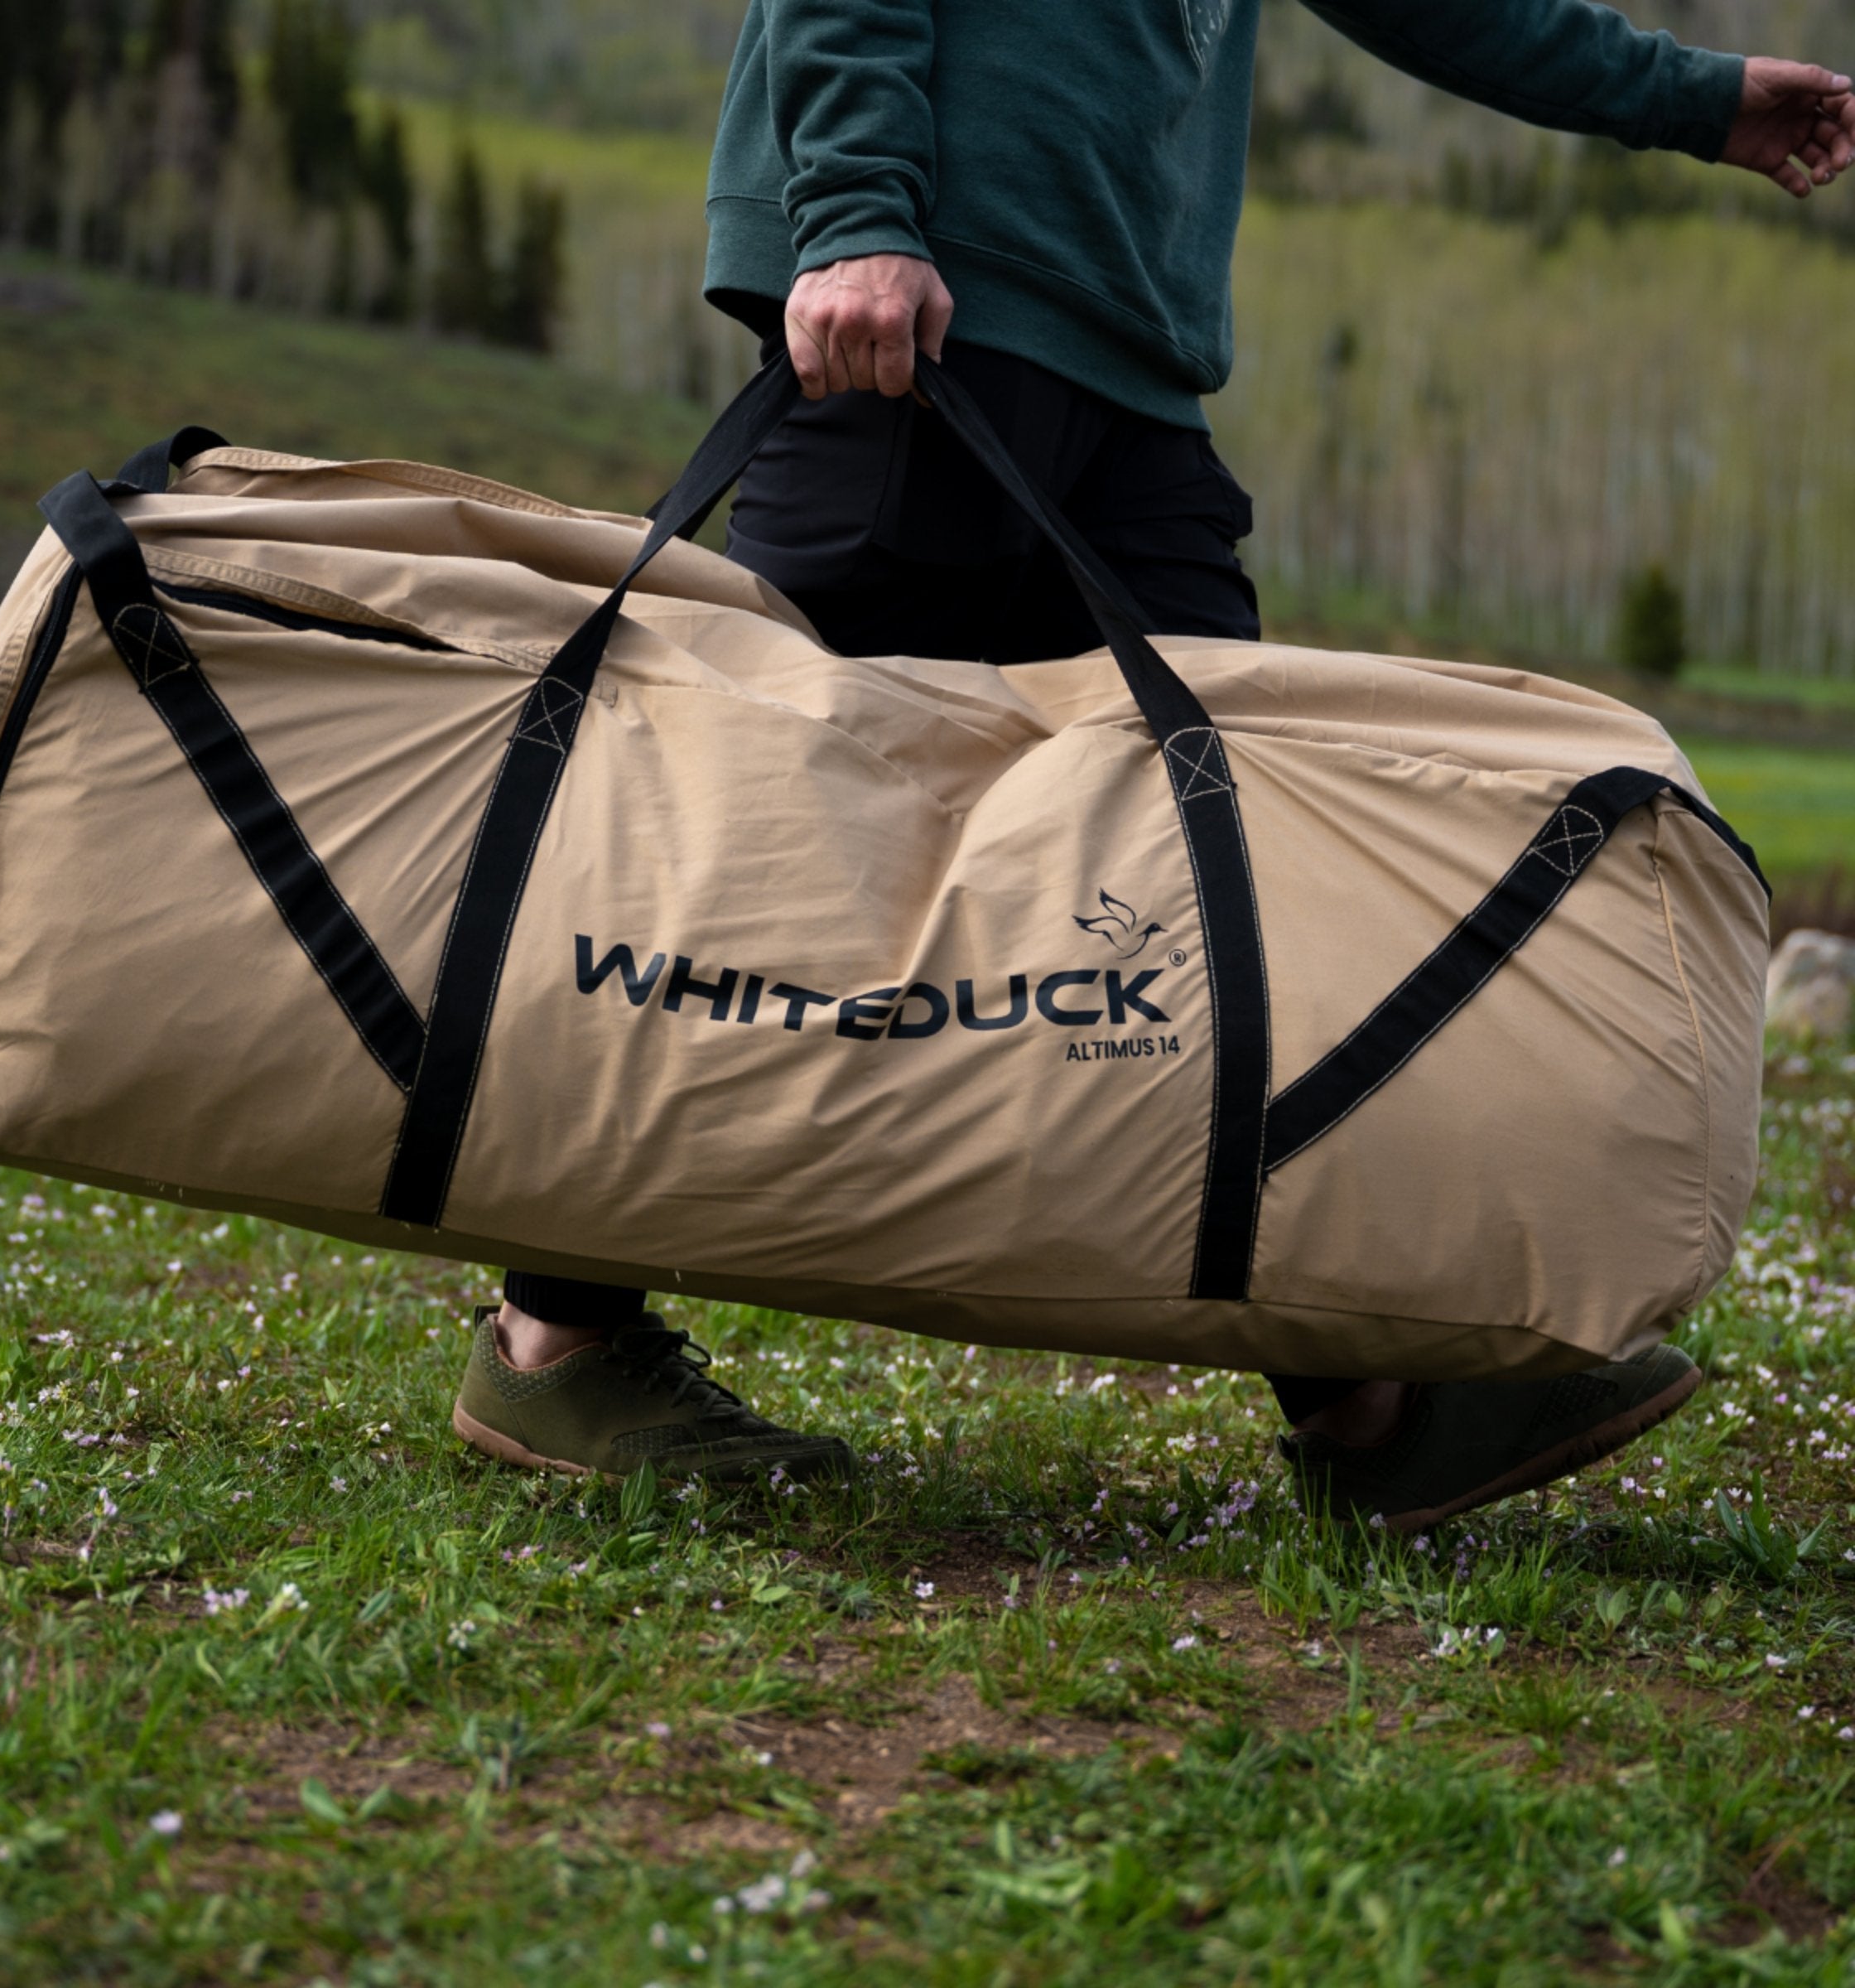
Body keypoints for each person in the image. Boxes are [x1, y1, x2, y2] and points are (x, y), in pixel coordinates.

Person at [451, 0, 1855, 1526]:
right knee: (771, 852)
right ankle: (555, 1330)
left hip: (1128, 364)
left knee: (1239, 862)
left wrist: (1696, 99)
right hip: (922, 309)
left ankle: (1359, 1395)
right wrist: (853, 213)